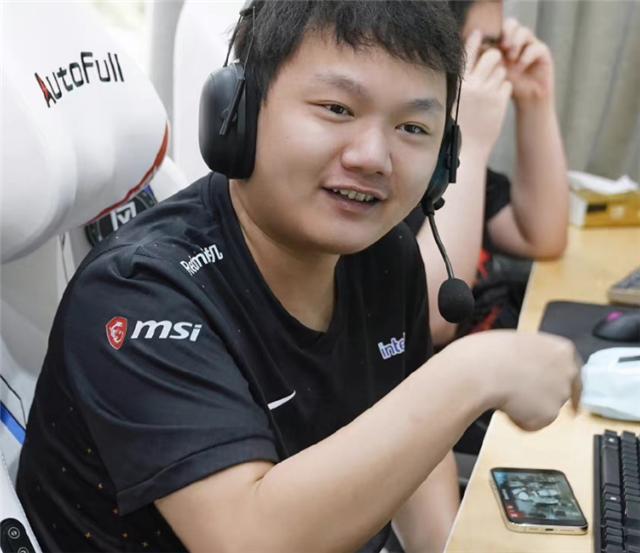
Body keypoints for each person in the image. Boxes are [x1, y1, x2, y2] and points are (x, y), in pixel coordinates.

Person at [17, 3, 580, 553]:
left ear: (443, 157)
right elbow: (247, 538)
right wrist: (470, 374)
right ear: (238, 111)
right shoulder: (139, 294)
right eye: (337, 109)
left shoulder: (384, 256)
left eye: (412, 127)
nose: (373, 157)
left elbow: (414, 466)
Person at [406, 0, 570, 348]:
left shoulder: (447, 162)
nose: (496, 61)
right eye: (485, 47)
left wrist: (536, 99)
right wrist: (467, 144)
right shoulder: (381, 169)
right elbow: (433, 320)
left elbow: (540, 237)